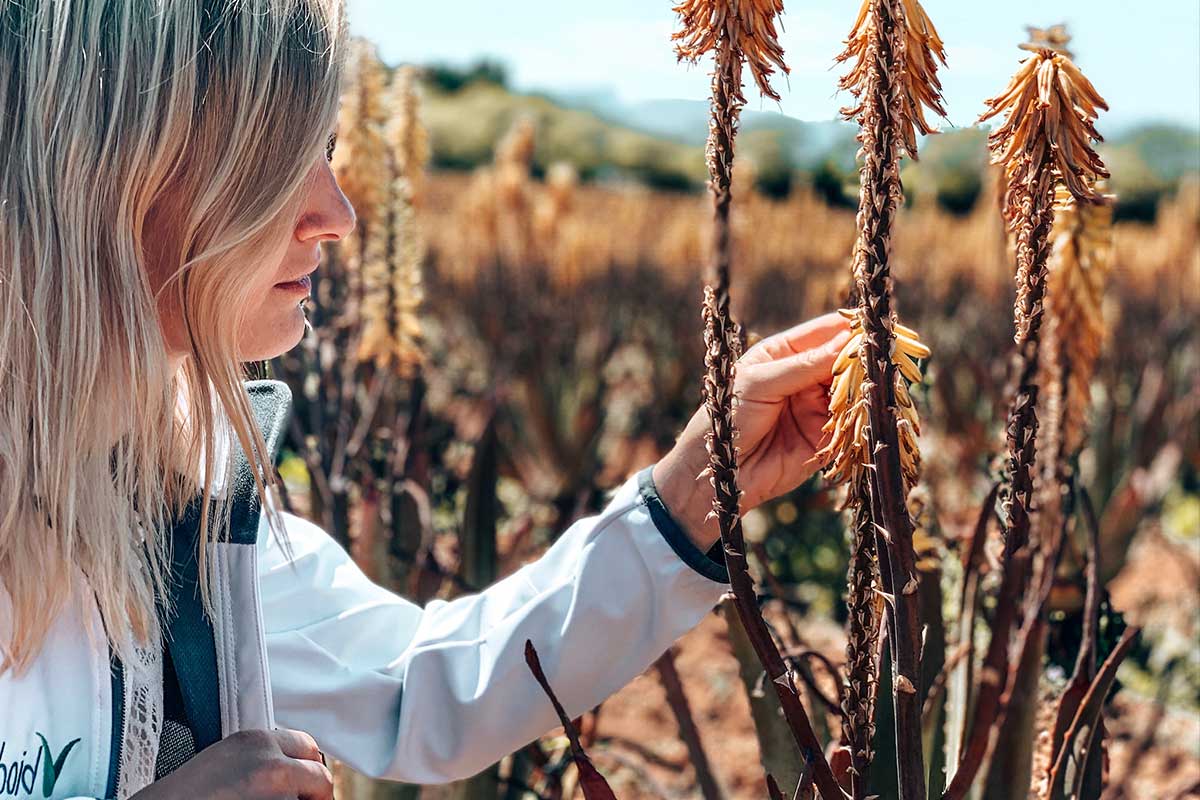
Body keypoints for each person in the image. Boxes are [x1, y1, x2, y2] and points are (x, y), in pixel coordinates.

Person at [0, 1, 852, 798]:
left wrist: (690, 495)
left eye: (329, 153)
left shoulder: (182, 508)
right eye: (279, 162)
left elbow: (421, 686)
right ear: (124, 173)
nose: (337, 214)